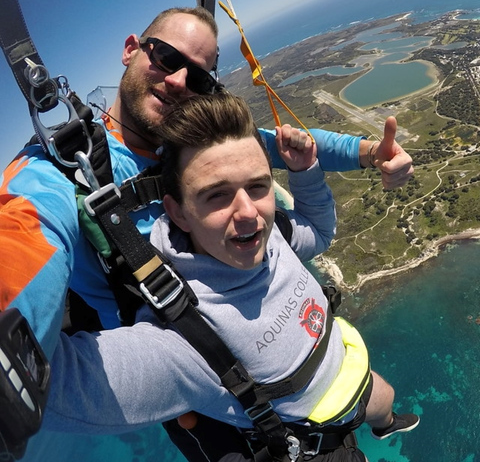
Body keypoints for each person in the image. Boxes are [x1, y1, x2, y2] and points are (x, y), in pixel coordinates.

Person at [0, 6, 413, 356]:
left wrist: (372, 154)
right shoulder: (60, 170)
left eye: (198, 79)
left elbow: (292, 145)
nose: (178, 82)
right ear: (131, 50)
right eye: (164, 56)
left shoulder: (192, 140)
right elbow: (23, 232)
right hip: (186, 360)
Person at [41, 93, 419, 461]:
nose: (247, 213)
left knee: (383, 398)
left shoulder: (270, 238)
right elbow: (52, 386)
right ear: (179, 213)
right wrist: (39, 232)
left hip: (349, 375)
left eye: (257, 186)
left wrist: (304, 172)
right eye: (217, 196)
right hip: (316, 445)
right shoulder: (183, 337)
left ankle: (384, 425)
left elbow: (317, 233)